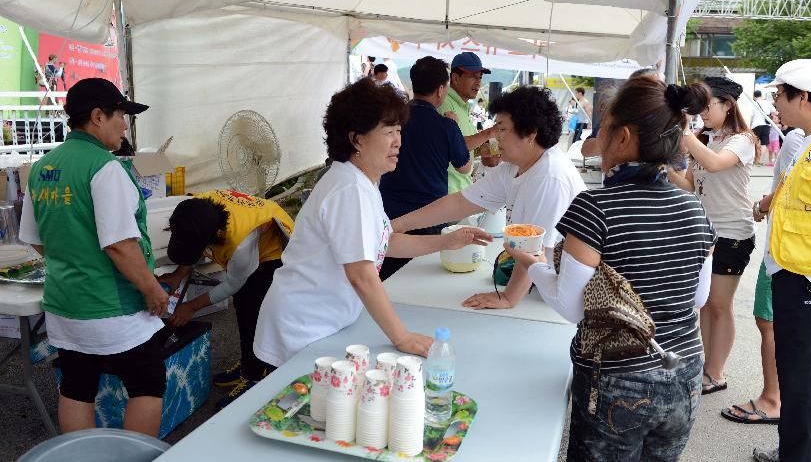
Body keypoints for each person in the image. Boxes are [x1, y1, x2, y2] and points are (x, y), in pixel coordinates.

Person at [508, 75, 715, 460]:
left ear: (622, 136)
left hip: (618, 380)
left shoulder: (595, 208)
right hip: (685, 373)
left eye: (602, 128)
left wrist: (534, 264)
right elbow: (698, 296)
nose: (597, 138)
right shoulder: (694, 208)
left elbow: (572, 308)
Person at [253, 79, 492, 366]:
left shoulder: (362, 180)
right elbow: (361, 274)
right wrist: (402, 336)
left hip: (327, 323)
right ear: (356, 139)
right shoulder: (349, 188)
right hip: (303, 327)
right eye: (388, 131)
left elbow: (382, 241)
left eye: (399, 130)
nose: (398, 141)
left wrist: (446, 242)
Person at [18, 78, 168, 436]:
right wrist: (151, 289)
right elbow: (120, 244)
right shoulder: (105, 167)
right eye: (120, 115)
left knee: (77, 386)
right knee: (147, 383)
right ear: (98, 116)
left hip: (64, 304)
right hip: (111, 306)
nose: (124, 126)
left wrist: (76, 258)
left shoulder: (41, 168)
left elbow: (35, 240)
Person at [392, 86, 585, 309]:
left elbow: (532, 248)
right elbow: (460, 203)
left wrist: (509, 297)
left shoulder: (550, 176)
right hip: (539, 283)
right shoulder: (514, 167)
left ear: (531, 134)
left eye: (502, 129)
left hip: (558, 298)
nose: (495, 136)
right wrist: (399, 224)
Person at [751, 59, 811, 462]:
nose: (775, 104)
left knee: (808, 387)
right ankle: (794, 453)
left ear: (803, 97)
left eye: (779, 95)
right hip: (793, 273)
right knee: (795, 379)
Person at [159, 190, 295, 409]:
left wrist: (191, 307)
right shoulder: (196, 209)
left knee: (253, 313)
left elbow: (232, 284)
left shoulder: (241, 242)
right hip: (246, 238)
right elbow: (195, 243)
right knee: (244, 308)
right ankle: (249, 362)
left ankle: (255, 377)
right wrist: (177, 275)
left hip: (271, 250)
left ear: (218, 234)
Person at [668, 75, 757, 396]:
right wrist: (666, 170)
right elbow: (691, 184)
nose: (701, 113)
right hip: (705, 233)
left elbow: (717, 165)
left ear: (728, 104)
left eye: (707, 106)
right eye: (698, 107)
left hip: (733, 233)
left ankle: (716, 373)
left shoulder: (742, 140)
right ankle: (707, 366)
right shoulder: (706, 138)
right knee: (705, 303)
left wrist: (685, 135)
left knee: (719, 305)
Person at [720, 126, 805, 428]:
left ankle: (772, 400)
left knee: (769, 322)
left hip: (786, 251)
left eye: (782, 93)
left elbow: (790, 184)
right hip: (797, 249)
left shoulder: (800, 137)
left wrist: (760, 206)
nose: (777, 102)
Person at [379, 56, 471, 280]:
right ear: (441, 90)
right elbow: (465, 168)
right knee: (419, 280)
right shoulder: (446, 126)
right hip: (429, 218)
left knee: (385, 278)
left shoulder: (393, 121)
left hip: (388, 212)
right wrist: (455, 128)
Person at [440, 52, 496, 194]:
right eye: (472, 76)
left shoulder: (463, 106)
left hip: (461, 190)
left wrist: (498, 148)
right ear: (455, 78)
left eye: (480, 77)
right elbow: (455, 146)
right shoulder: (445, 103)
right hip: (448, 191)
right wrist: (491, 132)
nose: (478, 82)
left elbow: (469, 148)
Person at [750, 90, 774, 166]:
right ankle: (760, 160)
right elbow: (774, 111)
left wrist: (749, 126)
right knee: (764, 143)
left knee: (754, 142)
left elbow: (751, 116)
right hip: (766, 125)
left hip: (755, 125)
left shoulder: (753, 103)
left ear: (754, 96)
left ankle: (754, 160)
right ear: (761, 95)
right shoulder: (767, 102)